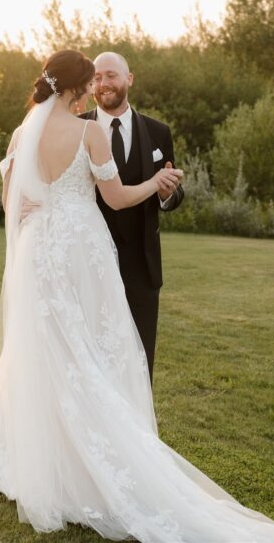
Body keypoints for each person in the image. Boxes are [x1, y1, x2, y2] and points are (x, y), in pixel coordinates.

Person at [0, 49, 274, 543]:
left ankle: (37, 459)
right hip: (82, 250)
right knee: (94, 349)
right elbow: (115, 197)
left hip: (39, 254)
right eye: (90, 80)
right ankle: (99, 456)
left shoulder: (21, 132)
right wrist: (155, 182)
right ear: (78, 88)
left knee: (46, 349)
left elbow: (13, 203)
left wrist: (41, 208)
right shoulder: (88, 131)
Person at [79, 51, 184, 383]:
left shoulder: (158, 132)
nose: (103, 83)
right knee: (91, 357)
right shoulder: (77, 128)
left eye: (110, 75)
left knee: (139, 361)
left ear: (129, 79)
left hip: (141, 264)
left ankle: (137, 430)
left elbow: (172, 190)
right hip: (88, 260)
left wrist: (167, 193)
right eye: (96, 78)